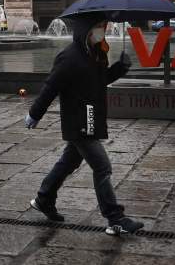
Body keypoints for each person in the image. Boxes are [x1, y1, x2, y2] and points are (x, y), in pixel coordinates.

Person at [24, 16, 143, 236]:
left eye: (103, 27)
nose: (101, 30)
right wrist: (35, 113)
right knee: (102, 167)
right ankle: (115, 219)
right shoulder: (69, 57)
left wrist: (119, 68)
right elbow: (51, 86)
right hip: (78, 119)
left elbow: (99, 81)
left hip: (91, 116)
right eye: (97, 27)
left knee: (69, 161)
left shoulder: (97, 52)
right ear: (85, 30)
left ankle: (44, 198)